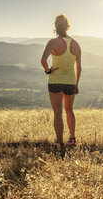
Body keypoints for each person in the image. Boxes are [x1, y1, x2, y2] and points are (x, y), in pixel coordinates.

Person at [40, 13, 82, 158]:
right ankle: (72, 138)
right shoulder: (76, 44)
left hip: (55, 80)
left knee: (58, 114)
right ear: (68, 26)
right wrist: (76, 84)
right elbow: (79, 68)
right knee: (70, 111)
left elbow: (43, 60)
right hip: (70, 81)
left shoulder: (52, 43)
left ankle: (59, 143)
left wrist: (48, 71)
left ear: (55, 26)